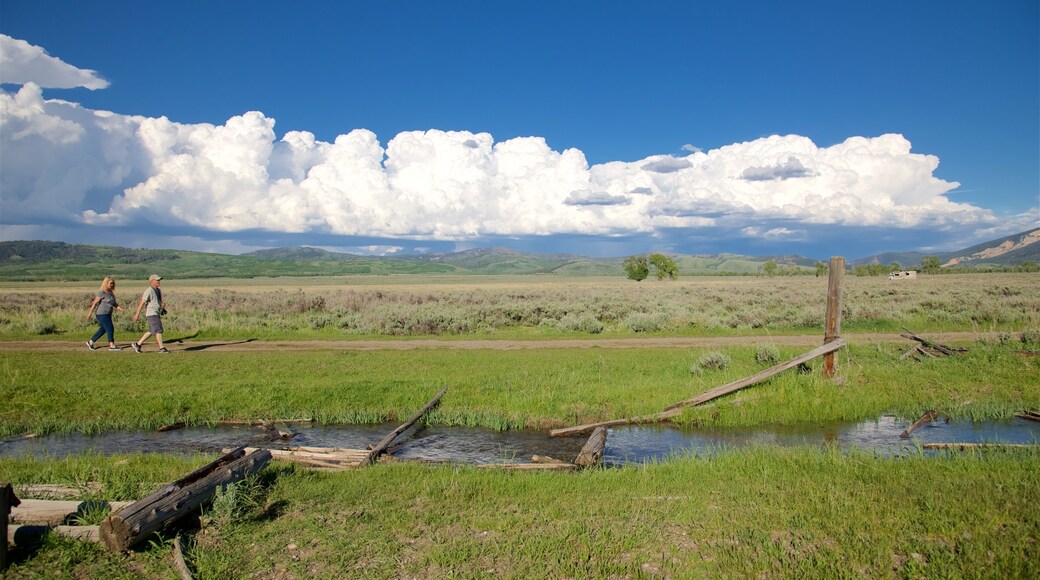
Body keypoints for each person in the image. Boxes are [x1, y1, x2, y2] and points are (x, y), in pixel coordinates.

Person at [85, 276, 125, 351]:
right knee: (110, 327)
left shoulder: (111, 293)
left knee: (103, 329)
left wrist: (120, 308)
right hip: (101, 314)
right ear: (106, 283)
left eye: (113, 283)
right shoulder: (101, 292)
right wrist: (89, 313)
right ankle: (112, 345)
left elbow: (114, 303)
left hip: (108, 314)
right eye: (110, 283)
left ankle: (90, 342)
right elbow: (94, 303)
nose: (112, 285)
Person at [131, 274, 168, 353]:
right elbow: (142, 303)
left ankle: (138, 344)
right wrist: (137, 314)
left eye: (159, 280)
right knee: (158, 330)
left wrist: (162, 306)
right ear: (152, 281)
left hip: (156, 312)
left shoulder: (158, 290)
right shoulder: (149, 291)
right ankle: (161, 348)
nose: (159, 281)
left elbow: (159, 301)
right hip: (151, 313)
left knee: (152, 330)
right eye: (157, 280)